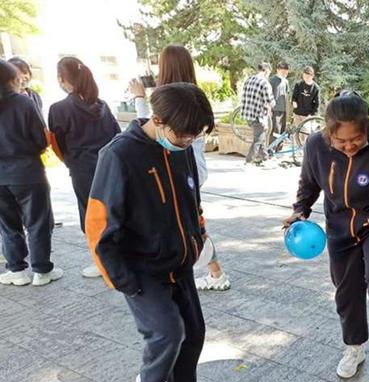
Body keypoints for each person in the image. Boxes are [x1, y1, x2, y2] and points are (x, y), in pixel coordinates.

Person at [86, 82, 217, 382]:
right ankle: (151, 381)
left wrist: (198, 238)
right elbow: (99, 225)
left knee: (194, 332)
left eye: (193, 136)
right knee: (167, 332)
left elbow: (192, 201)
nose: (188, 142)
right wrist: (121, 280)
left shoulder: (181, 148)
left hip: (180, 262)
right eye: (183, 136)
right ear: (157, 120)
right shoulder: (119, 156)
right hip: (141, 269)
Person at [282, 91, 369, 379]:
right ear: (328, 134)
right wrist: (300, 211)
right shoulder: (315, 146)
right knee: (346, 292)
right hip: (340, 226)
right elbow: (309, 184)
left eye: (355, 139)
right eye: (341, 141)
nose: (349, 146)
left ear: (368, 129)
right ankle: (354, 348)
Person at [129, 44, 230, 291]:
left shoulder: (170, 102)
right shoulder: (195, 97)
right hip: (194, 170)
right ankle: (213, 272)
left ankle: (208, 272)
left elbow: (145, 130)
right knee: (193, 224)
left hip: (180, 171)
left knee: (189, 225)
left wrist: (140, 98)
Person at [47, 57, 121, 278]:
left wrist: (68, 161)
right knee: (114, 210)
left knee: (91, 215)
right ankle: (119, 255)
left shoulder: (58, 109)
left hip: (82, 169)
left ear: (62, 79)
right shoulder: (102, 105)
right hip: (109, 166)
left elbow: (56, 143)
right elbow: (117, 136)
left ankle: (102, 262)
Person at [0, 59, 62, 287]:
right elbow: (40, 139)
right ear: (10, 79)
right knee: (37, 221)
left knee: (7, 224)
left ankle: (16, 269)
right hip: (27, 172)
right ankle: (41, 270)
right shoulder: (23, 103)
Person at [240, 62, 274, 165]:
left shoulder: (248, 80)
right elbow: (270, 101)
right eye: (269, 72)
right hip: (258, 116)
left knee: (261, 136)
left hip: (247, 114)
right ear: (266, 70)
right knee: (258, 139)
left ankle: (265, 158)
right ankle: (248, 161)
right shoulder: (264, 83)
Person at [291, 66, 320, 145]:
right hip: (297, 113)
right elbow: (294, 97)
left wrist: (313, 115)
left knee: (306, 133)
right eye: (304, 76)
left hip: (308, 115)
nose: (306, 78)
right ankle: (298, 149)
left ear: (312, 76)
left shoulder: (316, 88)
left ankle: (305, 149)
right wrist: (293, 102)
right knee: (297, 132)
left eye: (308, 76)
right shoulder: (298, 84)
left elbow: (317, 103)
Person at [269, 61, 290, 145]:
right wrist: (269, 110)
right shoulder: (272, 80)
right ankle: (272, 150)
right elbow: (268, 95)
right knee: (275, 130)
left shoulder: (285, 82)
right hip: (275, 109)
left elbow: (286, 96)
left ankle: (279, 149)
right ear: (278, 70)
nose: (285, 73)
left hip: (283, 110)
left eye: (286, 71)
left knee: (282, 131)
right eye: (283, 71)